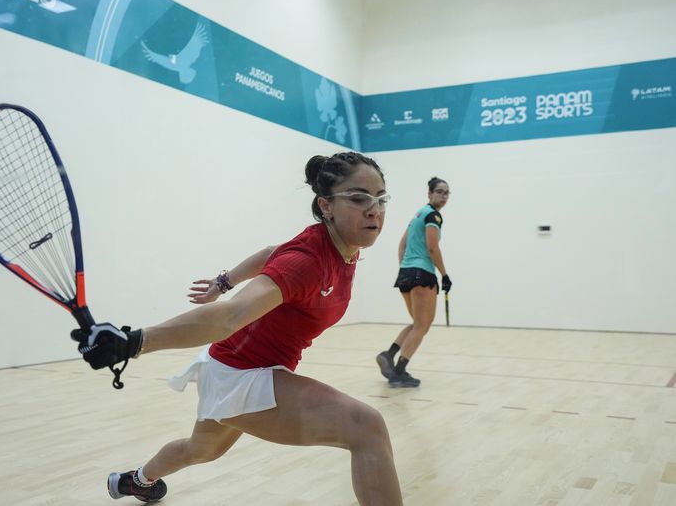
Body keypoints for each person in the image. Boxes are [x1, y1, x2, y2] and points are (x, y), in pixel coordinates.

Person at [73, 152, 403, 505]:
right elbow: (230, 316)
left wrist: (222, 280)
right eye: (358, 198)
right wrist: (134, 342)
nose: (374, 210)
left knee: (200, 450)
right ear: (326, 206)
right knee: (366, 428)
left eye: (380, 199)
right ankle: (139, 477)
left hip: (233, 367)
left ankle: (137, 480)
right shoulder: (307, 262)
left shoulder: (340, 247)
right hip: (242, 375)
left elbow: (271, 252)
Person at [376, 177, 451, 388]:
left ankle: (388, 355)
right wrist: (444, 275)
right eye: (439, 191)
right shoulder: (433, 216)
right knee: (422, 326)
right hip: (423, 274)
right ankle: (399, 372)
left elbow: (402, 245)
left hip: (406, 275)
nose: (443, 196)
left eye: (447, 193)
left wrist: (405, 269)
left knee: (418, 323)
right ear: (429, 193)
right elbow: (432, 247)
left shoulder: (417, 214)